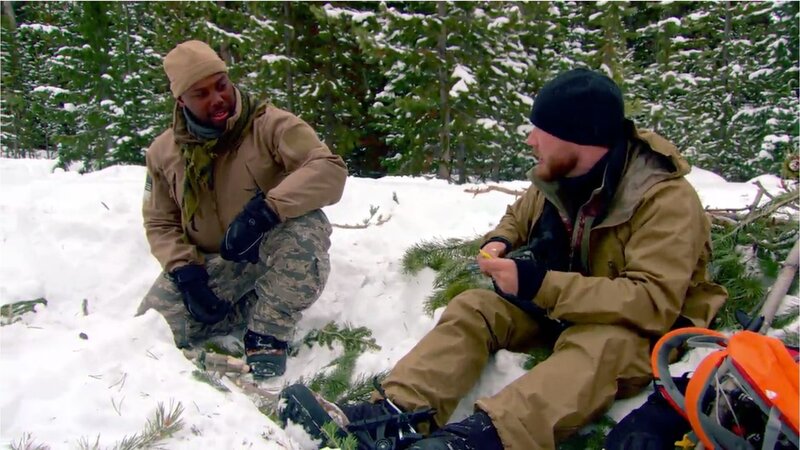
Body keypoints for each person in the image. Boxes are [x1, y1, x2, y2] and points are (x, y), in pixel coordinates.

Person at [279, 68, 727, 449]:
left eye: (541, 131)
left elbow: (652, 302)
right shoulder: (565, 172)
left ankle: (479, 441)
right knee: (476, 307)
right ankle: (393, 417)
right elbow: (519, 215)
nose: (531, 140)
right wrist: (500, 240)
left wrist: (540, 285)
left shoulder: (664, 200)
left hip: (635, 329)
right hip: (566, 305)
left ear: (580, 138)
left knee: (600, 347)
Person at [136, 40, 347, 379]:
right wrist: (185, 272)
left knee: (306, 229)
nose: (217, 98)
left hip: (267, 246)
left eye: (221, 85)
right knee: (149, 330)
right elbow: (160, 222)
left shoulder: (271, 125)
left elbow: (329, 169)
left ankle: (268, 329)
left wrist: (265, 212)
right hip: (212, 263)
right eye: (201, 94)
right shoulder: (163, 153)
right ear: (181, 101)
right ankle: (245, 305)